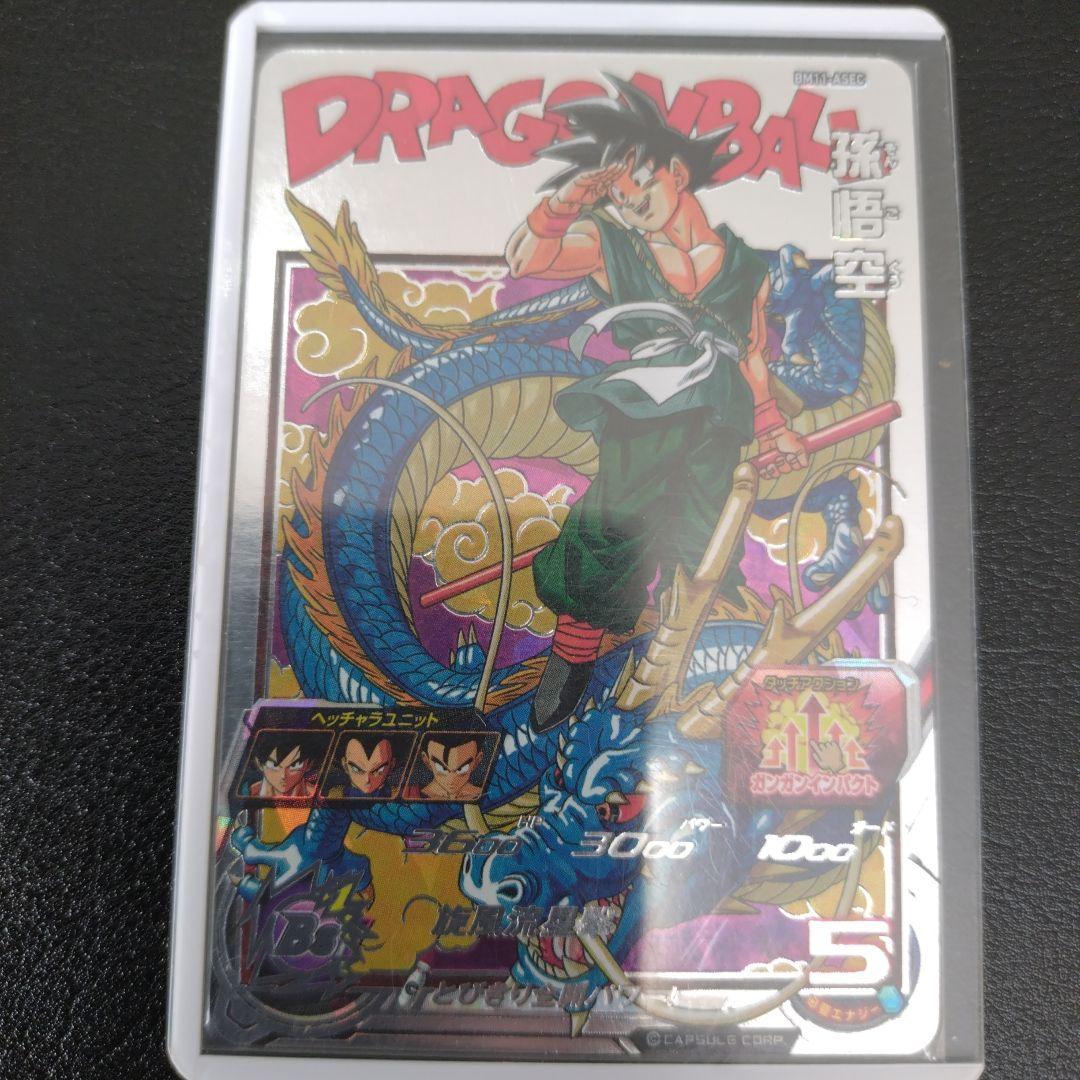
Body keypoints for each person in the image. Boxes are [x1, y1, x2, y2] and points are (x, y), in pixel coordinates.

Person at [505, 76, 809, 732]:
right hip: (648, 407)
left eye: (639, 182)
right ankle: (574, 656)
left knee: (705, 535)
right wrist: (567, 200)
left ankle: (686, 661)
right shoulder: (613, 245)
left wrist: (772, 427)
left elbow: (752, 354)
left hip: (720, 416)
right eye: (617, 193)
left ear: (677, 172)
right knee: (612, 526)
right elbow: (527, 257)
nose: (630, 200)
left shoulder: (745, 267)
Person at [405, 733, 487, 802]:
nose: (451, 780)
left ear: (477, 761)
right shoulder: (408, 795)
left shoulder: (488, 795)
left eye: (462, 769)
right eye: (442, 768)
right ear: (426, 761)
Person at [247, 732, 322, 799]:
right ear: (260, 764)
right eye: (274, 765)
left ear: (309, 765)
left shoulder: (316, 796)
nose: (283, 775)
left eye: (294, 766)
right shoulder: (249, 792)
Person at [335, 733, 399, 797]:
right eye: (356, 769)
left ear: (391, 766)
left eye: (379, 770)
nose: (367, 779)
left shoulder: (397, 794)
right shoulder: (335, 794)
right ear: (345, 765)